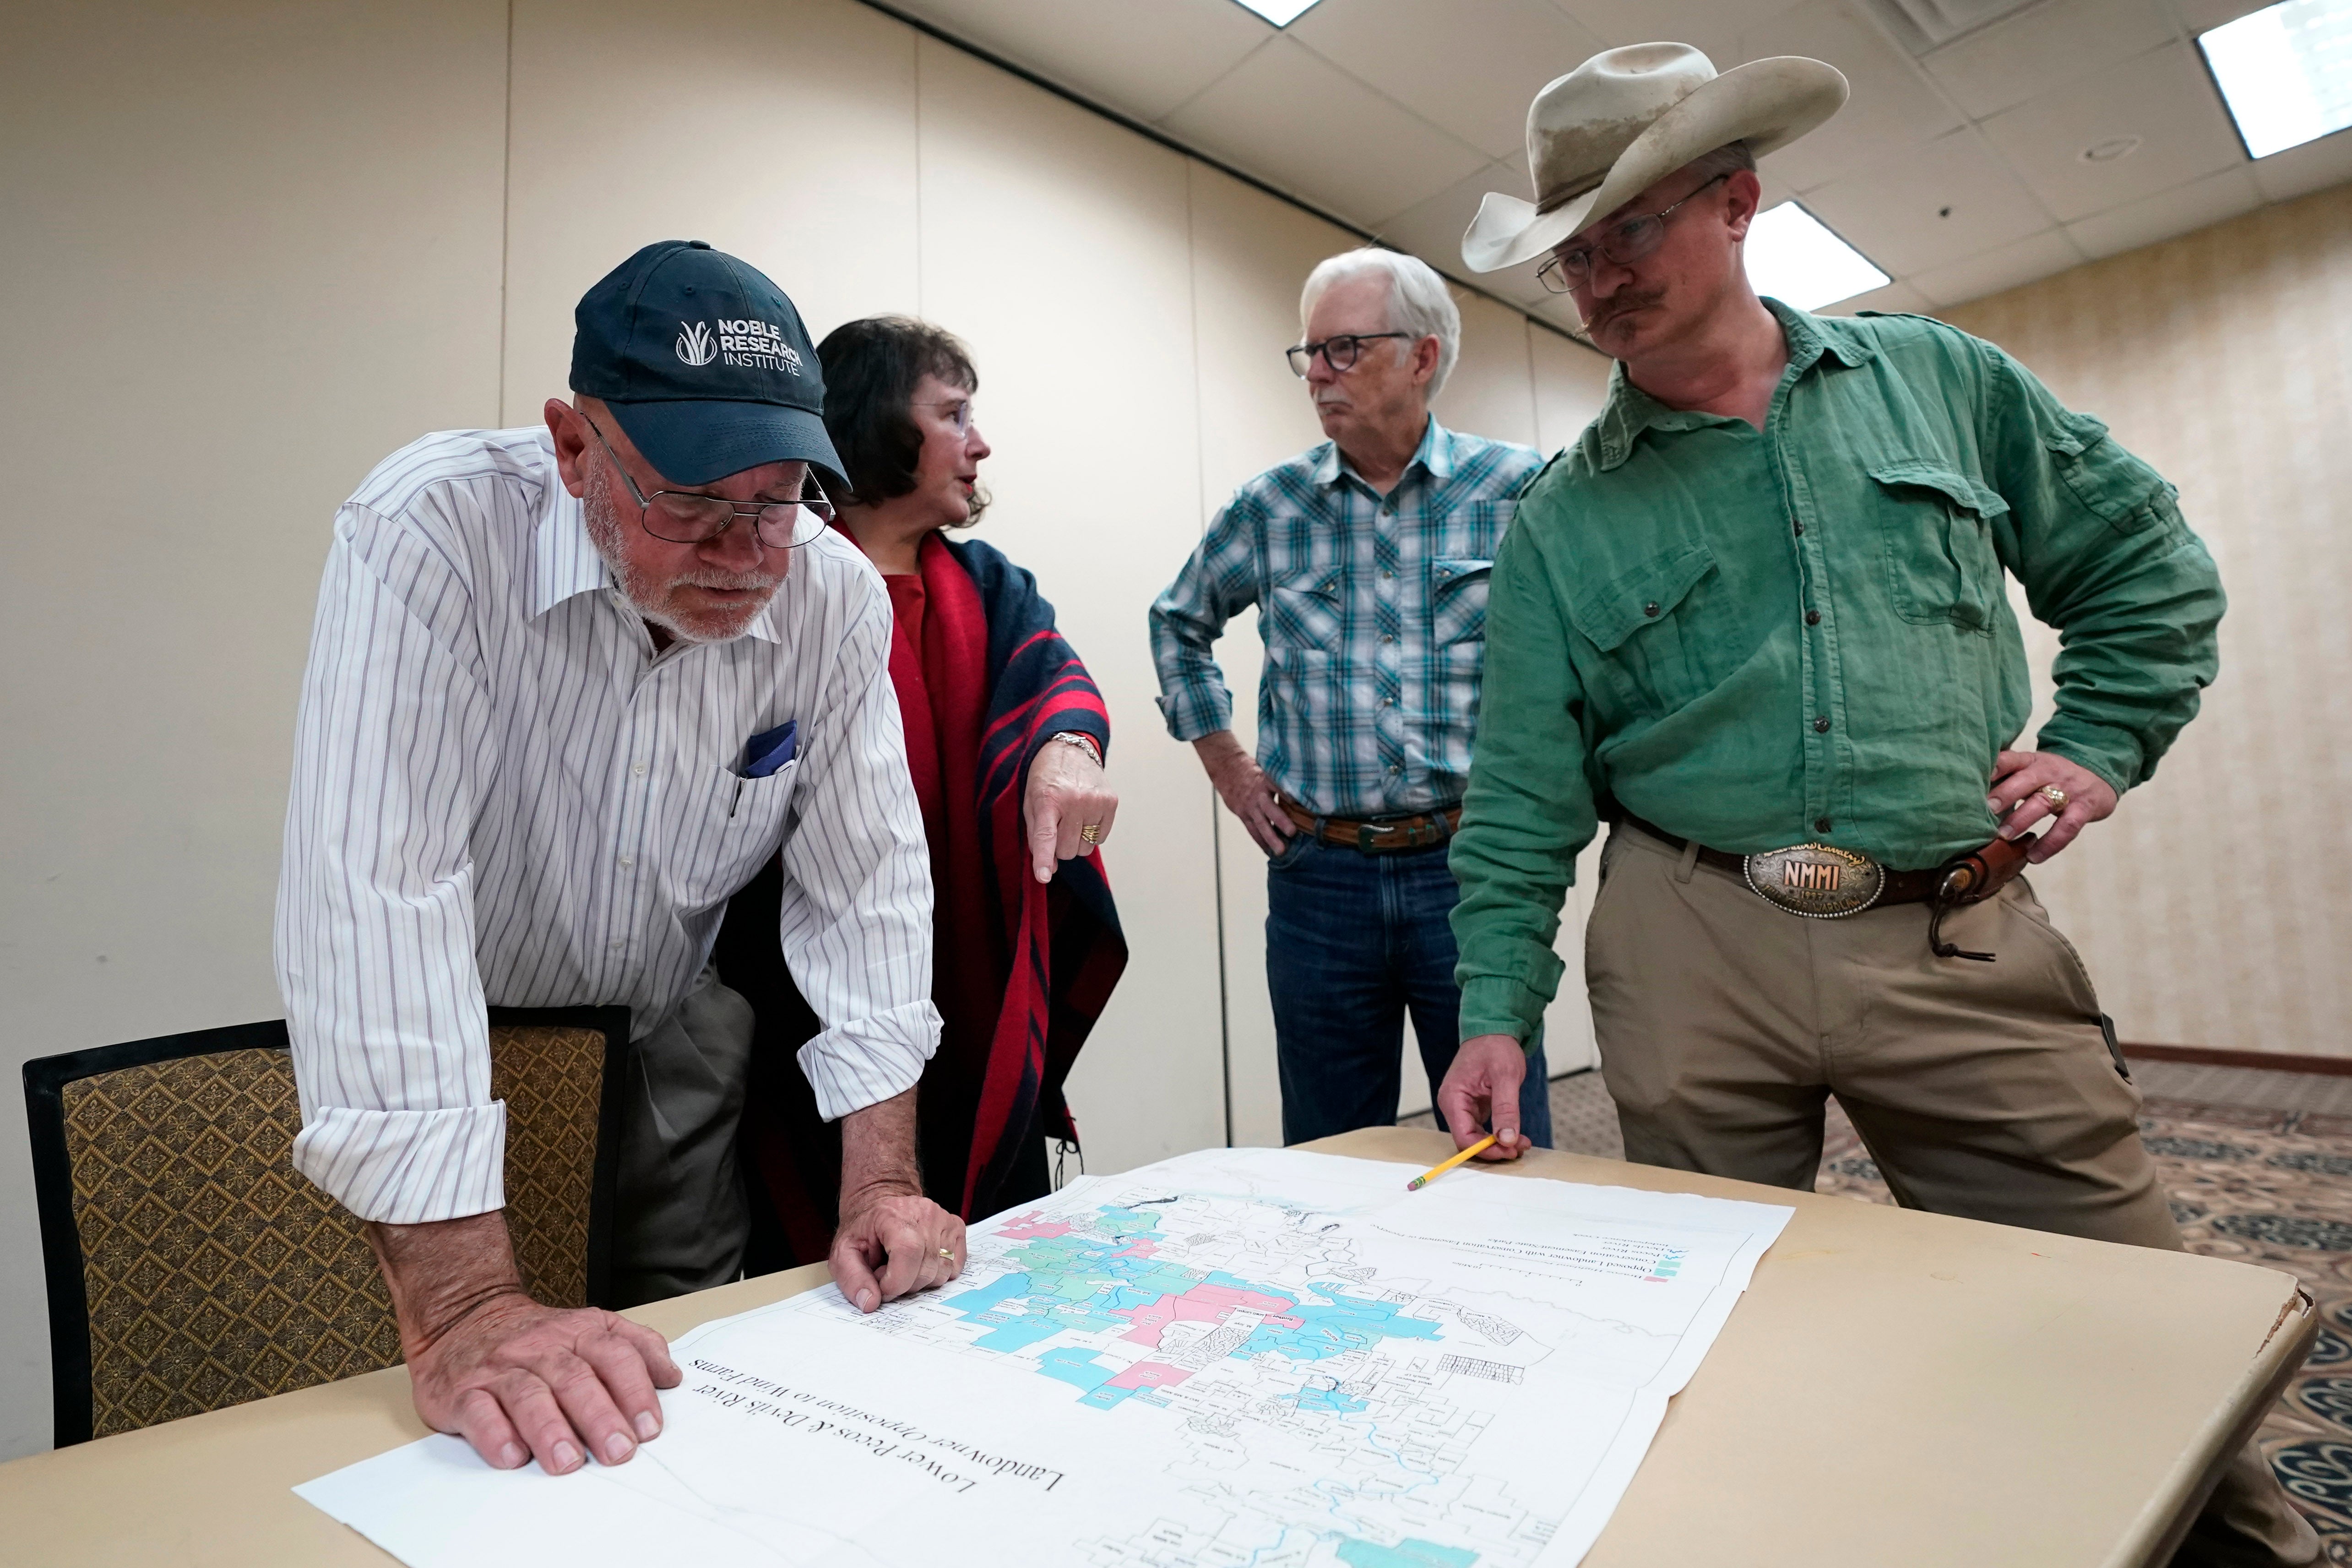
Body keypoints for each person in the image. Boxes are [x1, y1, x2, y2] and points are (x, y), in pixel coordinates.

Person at [1439, 44, 2316, 1566]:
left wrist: (2099, 737)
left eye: (1627, 232)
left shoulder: (1942, 382)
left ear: (1736, 200)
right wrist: (1491, 1007)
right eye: (1570, 254)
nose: (1596, 279)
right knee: (1718, 1322)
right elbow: (1520, 789)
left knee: (2126, 1308)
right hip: (1687, 939)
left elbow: (2139, 566)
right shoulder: (1558, 518)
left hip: (1953, 928)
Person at [277, 241, 965, 1480]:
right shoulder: (434, 529)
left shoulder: (833, 597)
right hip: (450, 1031)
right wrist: (463, 1311)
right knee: (441, 1415)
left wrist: (883, 1183)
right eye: (694, 502)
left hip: (664, 1027)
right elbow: (379, 897)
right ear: (574, 446)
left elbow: (866, 892)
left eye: (776, 501)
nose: (749, 554)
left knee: (679, 1376)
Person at [717, 316, 1125, 1253]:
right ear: (871, 423)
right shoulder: (773, 582)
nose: (978, 444)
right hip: (806, 999)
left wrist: (1068, 747)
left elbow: (1057, 679)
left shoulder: (988, 586)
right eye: (952, 415)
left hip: (964, 980)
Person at [1150, 248, 1554, 1149]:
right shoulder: (1271, 506)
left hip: (1469, 871)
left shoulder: (1517, 491)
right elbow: (1178, 623)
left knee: (1503, 1137)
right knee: (1331, 1153)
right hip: (1318, 876)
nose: (1318, 378)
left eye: (1343, 351)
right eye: (1309, 356)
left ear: (1423, 354)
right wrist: (1226, 764)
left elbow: (1580, 655)